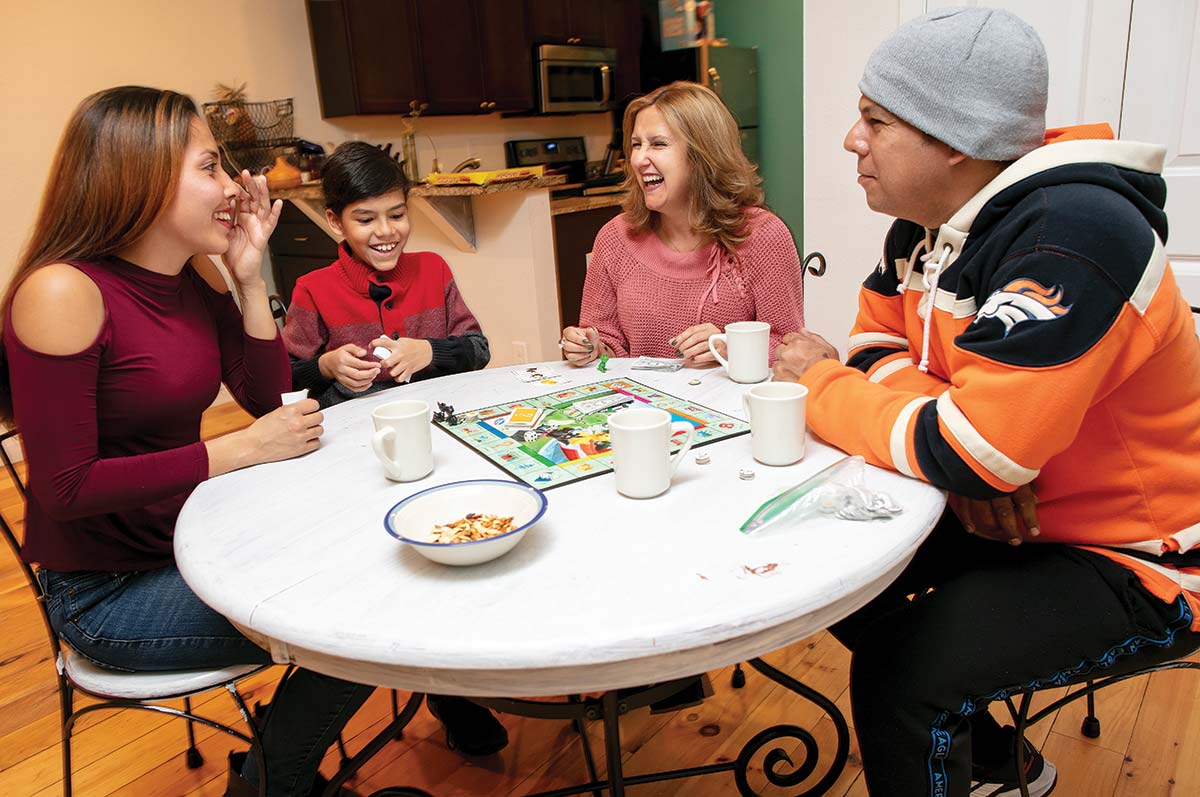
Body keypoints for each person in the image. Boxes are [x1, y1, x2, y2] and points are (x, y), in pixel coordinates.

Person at [772, 8, 1200, 797]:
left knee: (905, 671)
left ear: (956, 139)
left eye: (874, 120)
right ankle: (1004, 767)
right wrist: (967, 445)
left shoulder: (1078, 233)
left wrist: (818, 381)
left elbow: (962, 440)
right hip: (1020, 509)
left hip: (1139, 557)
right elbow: (879, 351)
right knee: (815, 572)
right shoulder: (921, 227)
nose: (850, 141)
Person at [0, 86, 374, 797]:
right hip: (106, 593)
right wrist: (238, 450)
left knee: (358, 566)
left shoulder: (189, 275)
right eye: (211, 167)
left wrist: (247, 276)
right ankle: (270, 783)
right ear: (136, 176)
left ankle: (276, 760)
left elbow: (265, 397)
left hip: (189, 543)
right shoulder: (63, 292)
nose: (236, 187)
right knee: (348, 630)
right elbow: (64, 487)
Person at [561, 81, 803, 367]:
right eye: (636, 145)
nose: (639, 159)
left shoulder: (762, 236)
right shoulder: (614, 238)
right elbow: (608, 345)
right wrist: (589, 347)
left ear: (703, 155)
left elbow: (791, 350)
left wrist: (730, 346)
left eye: (658, 144)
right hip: (643, 409)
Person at [283, 141, 490, 408]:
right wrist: (326, 366)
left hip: (438, 415)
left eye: (396, 215)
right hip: (354, 432)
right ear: (335, 221)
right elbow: (285, 377)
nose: (386, 231)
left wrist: (429, 351)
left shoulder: (433, 269)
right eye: (366, 220)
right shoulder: (313, 289)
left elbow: (479, 350)